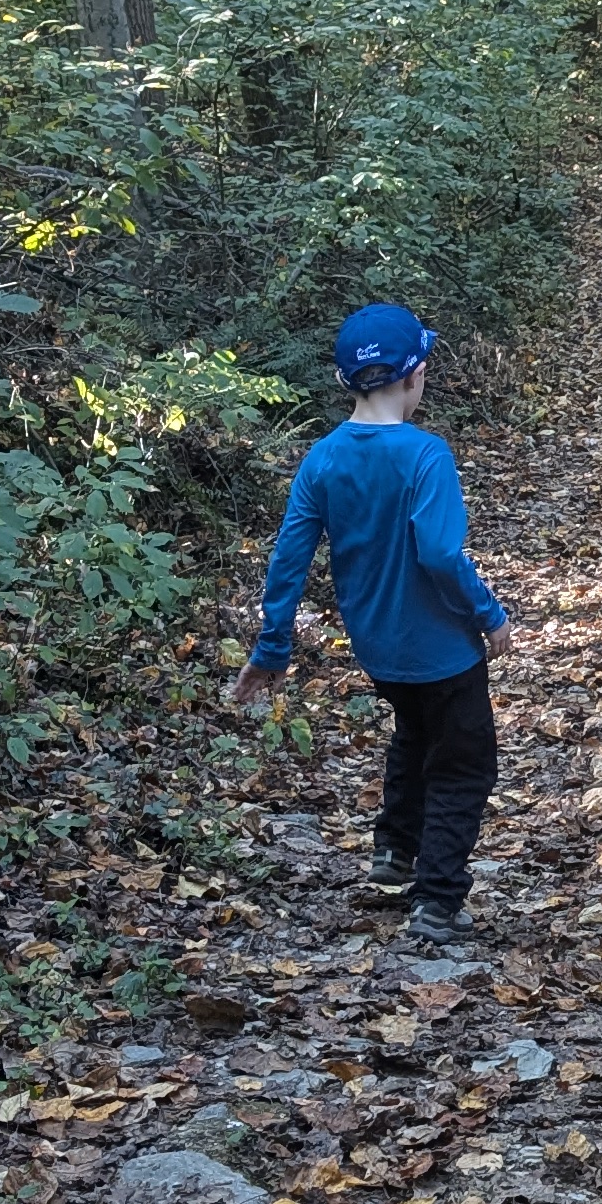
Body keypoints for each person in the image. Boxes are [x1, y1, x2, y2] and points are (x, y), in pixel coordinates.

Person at [229, 303, 508, 948]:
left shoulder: (323, 460)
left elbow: (289, 559)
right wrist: (489, 614)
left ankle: (395, 849)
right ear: (417, 376)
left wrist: (273, 648)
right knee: (465, 765)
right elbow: (440, 553)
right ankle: (437, 899)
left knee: (414, 733)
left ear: (343, 380)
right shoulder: (426, 456)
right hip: (442, 648)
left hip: (377, 649)